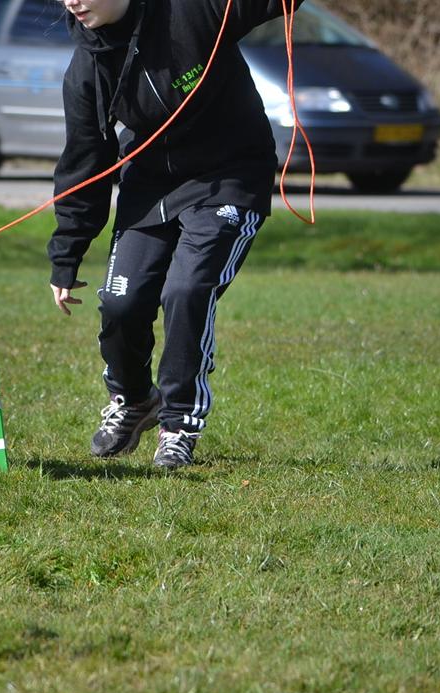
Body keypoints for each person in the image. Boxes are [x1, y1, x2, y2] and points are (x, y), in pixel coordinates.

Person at [48, 0, 302, 468]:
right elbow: (84, 162)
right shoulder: (87, 67)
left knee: (186, 290)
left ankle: (179, 423)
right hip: (151, 186)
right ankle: (132, 399)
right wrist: (67, 252)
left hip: (230, 176)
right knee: (121, 302)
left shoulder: (192, 9)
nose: (72, 2)